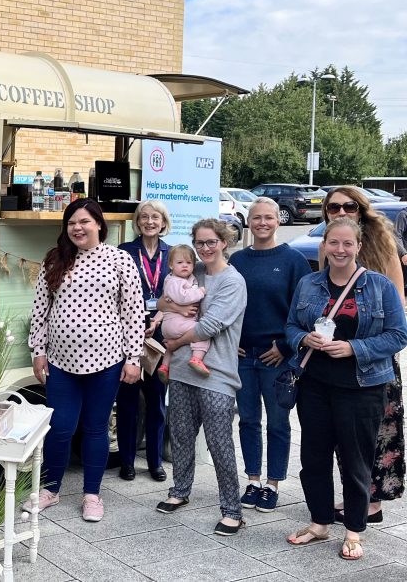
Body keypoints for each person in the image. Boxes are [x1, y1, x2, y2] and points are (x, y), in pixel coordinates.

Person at [284, 218, 407, 560]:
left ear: (358, 246)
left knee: (355, 462)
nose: (339, 250)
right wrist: (301, 338)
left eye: (346, 244)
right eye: (333, 243)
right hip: (315, 386)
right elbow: (291, 325)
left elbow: (399, 335)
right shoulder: (309, 284)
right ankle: (320, 522)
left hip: (361, 387)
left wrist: (354, 348)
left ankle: (354, 531)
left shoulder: (378, 286)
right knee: (313, 458)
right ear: (324, 245)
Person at [27, 198, 144, 522]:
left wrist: (133, 358)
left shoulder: (120, 260)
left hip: (106, 363)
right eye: (72, 223)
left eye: (84, 221)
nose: (78, 228)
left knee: (95, 429)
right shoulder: (54, 261)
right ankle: (50, 489)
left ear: (99, 225)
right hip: (61, 364)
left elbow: (133, 313)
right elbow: (40, 311)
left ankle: (92, 494)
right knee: (60, 428)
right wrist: (38, 351)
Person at [154, 219, 247, 537]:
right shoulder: (192, 272)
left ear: (224, 242)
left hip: (216, 374)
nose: (205, 248)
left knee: (219, 443)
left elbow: (210, 325)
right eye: (200, 243)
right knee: (180, 435)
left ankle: (232, 509)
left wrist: (176, 342)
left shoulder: (233, 282)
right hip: (181, 370)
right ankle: (180, 490)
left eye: (211, 242)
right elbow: (165, 299)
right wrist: (167, 305)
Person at [321, 186, 405, 524]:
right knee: (345, 431)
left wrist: (362, 342)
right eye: (334, 207)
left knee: (379, 430)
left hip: (373, 358)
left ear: (362, 210)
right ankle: (354, 495)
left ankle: (373, 501)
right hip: (335, 356)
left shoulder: (383, 245)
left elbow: (397, 303)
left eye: (350, 206)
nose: (341, 212)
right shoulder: (330, 245)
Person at [228, 197, 311, 513]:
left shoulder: (293, 261)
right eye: (256, 217)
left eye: (268, 217)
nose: (262, 223)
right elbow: (225, 306)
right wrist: (228, 339)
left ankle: (273, 484)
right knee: (248, 420)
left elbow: (305, 311)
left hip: (276, 358)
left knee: (278, 423)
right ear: (249, 221)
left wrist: (286, 347)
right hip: (242, 356)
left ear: (278, 221)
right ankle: (252, 480)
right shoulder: (237, 260)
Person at [116, 200, 171, 482]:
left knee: (156, 402)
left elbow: (179, 292)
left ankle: (154, 462)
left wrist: (158, 318)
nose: (150, 221)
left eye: (156, 217)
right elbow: (116, 295)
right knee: (127, 402)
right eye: (145, 217)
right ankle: (126, 461)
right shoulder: (124, 252)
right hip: (129, 336)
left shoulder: (172, 254)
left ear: (163, 222)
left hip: (159, 337)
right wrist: (138, 322)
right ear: (137, 222)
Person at [152, 244, 210, 381]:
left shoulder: (180, 278)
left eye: (189, 263)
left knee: (170, 346)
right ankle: (196, 358)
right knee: (202, 334)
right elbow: (183, 298)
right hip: (178, 323)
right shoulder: (174, 281)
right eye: (180, 262)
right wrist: (200, 292)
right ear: (171, 265)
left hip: (170, 326)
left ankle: (165, 367)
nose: (185, 266)